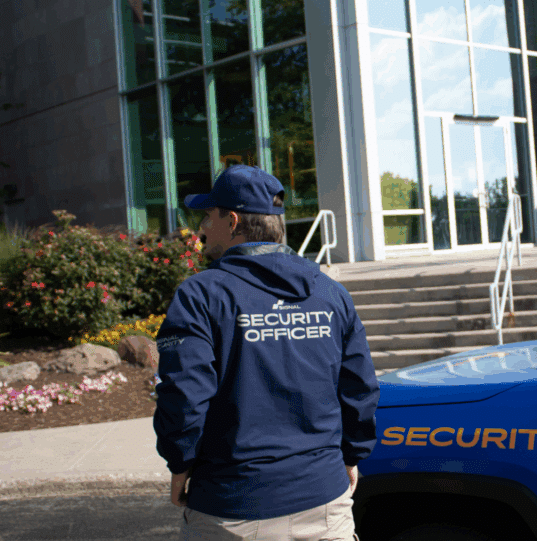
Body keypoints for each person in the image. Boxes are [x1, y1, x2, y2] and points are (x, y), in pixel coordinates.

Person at [153, 164, 380, 541]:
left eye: (208, 216)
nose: (202, 228)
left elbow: (184, 395)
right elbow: (360, 389)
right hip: (324, 505)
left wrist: (180, 463)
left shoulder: (201, 295)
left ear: (233, 220)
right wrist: (351, 455)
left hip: (232, 509)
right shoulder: (330, 292)